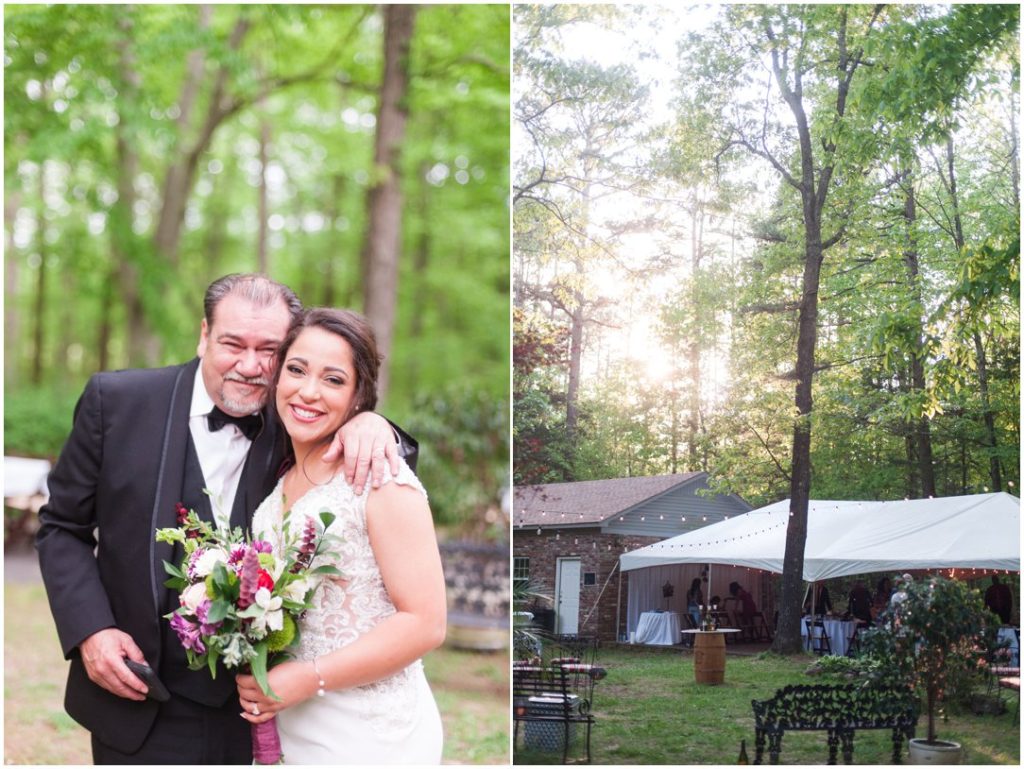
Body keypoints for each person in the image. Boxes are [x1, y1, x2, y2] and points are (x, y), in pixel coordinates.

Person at [36, 274, 416, 764]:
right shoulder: (116, 402)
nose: (251, 366)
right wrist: (91, 630)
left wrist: (371, 420)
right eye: (233, 344)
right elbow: (61, 526)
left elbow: (374, 466)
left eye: (270, 350)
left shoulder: (299, 413)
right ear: (203, 335)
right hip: (138, 696)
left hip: (268, 711)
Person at [235, 308, 445, 764]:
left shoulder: (381, 478)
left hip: (366, 731)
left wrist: (310, 677)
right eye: (296, 370)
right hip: (291, 720)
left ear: (358, 396)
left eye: (333, 379)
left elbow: (426, 622)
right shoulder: (280, 477)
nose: (308, 391)